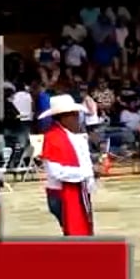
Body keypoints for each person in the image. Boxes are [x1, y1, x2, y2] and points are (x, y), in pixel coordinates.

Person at [37, 92, 96, 236]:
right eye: (74, 115)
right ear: (64, 117)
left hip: (79, 190)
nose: (78, 118)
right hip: (62, 193)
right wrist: (88, 172)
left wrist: (91, 173)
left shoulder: (75, 136)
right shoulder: (53, 138)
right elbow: (57, 172)